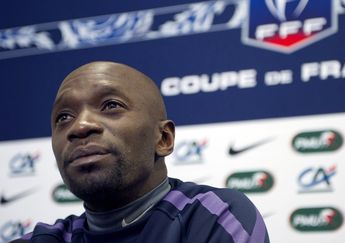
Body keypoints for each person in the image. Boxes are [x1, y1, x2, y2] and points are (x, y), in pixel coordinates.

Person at [11, 61, 269, 243]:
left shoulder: (212, 215)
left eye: (111, 105)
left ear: (164, 138)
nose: (79, 126)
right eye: (63, 117)